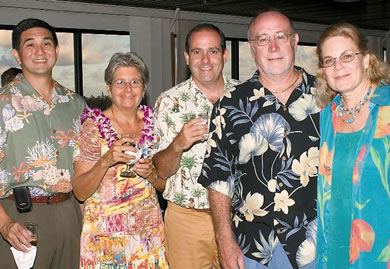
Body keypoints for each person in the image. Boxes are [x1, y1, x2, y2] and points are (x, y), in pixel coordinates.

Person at [198, 10, 321, 269]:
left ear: (295, 41)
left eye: (280, 36)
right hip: (252, 249)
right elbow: (218, 177)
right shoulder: (230, 104)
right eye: (263, 39)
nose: (273, 46)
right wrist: (223, 240)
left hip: (315, 246)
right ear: (252, 49)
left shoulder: (327, 97)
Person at [0, 18, 86, 269]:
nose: (40, 51)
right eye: (30, 45)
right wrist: (5, 224)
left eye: (46, 44)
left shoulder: (76, 105)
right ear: (17, 55)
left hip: (70, 214)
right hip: (19, 219)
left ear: (57, 51)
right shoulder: (3, 104)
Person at [153, 23, 239, 268]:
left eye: (212, 51)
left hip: (240, 219)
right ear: (187, 57)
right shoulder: (169, 101)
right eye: (197, 52)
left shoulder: (246, 96)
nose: (205, 60)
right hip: (187, 220)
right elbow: (160, 171)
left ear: (224, 54)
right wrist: (178, 144)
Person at [72, 52, 168, 268]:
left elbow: (166, 185)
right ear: (109, 87)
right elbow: (79, 191)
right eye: (120, 82)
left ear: (144, 88)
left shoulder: (157, 124)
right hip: (105, 239)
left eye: (134, 82)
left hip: (146, 237)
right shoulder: (92, 128)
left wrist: (151, 175)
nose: (127, 89)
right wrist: (106, 160)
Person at [315, 23, 390, 268]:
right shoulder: (328, 115)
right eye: (329, 60)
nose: (338, 66)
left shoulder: (387, 108)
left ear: (367, 60)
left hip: (378, 250)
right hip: (335, 248)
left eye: (347, 56)